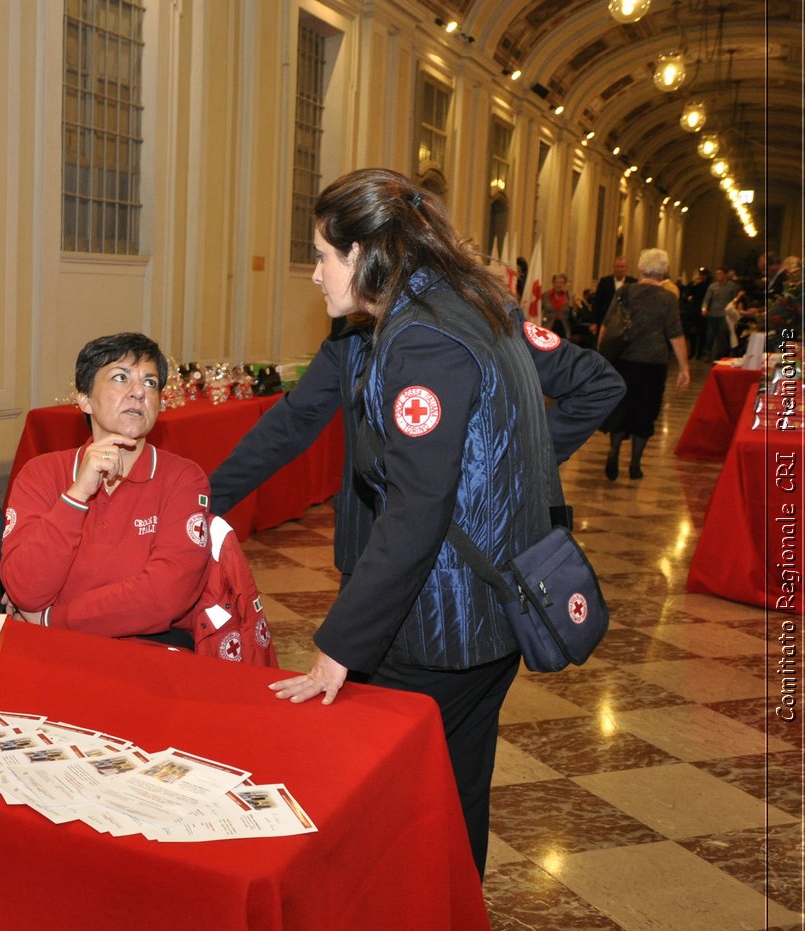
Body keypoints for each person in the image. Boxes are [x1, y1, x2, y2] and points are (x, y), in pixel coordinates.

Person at [225, 169, 620, 884]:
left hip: (440, 624)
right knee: (457, 790)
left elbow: (415, 511)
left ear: (368, 252)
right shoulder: (466, 302)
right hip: (490, 615)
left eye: (322, 255)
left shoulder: (420, 340)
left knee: (385, 803)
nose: (313, 275)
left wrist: (341, 647)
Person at [0, 333, 210, 642]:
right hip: (54, 650)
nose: (138, 392)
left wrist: (50, 618)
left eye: (150, 383)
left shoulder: (183, 478)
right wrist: (77, 495)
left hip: (147, 649)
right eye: (121, 378)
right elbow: (26, 589)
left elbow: (164, 596)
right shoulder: (41, 473)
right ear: (84, 399)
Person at [598, 248, 692, 481]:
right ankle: (635, 464)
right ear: (664, 271)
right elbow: (675, 334)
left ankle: (614, 451)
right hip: (652, 364)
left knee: (621, 409)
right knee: (645, 412)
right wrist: (684, 368)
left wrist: (602, 358)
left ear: (640, 268)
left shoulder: (625, 292)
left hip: (623, 361)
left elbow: (607, 326)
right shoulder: (668, 298)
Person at [700, 266, 740, 361]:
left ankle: (721, 355)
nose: (718, 276)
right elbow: (707, 299)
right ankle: (708, 353)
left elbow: (735, 300)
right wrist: (704, 308)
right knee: (710, 335)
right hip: (713, 313)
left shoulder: (732, 286)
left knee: (722, 335)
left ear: (725, 274)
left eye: (720, 273)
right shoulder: (712, 286)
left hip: (725, 314)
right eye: (717, 274)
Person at [591, 256, 634, 325]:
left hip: (625, 322)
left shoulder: (633, 283)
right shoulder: (604, 282)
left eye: (622, 267)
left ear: (627, 269)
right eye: (617, 266)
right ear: (613, 268)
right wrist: (594, 322)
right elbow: (597, 302)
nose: (619, 269)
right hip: (605, 320)